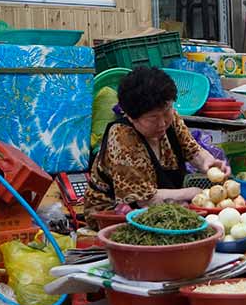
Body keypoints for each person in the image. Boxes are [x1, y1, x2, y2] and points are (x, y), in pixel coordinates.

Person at [87, 67, 229, 214]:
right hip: (113, 214)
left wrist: (209, 164)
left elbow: (193, 151)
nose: (162, 123)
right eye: (153, 118)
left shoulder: (171, 119)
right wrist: (192, 192)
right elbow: (144, 199)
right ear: (131, 117)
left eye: (167, 111)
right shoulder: (122, 137)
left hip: (165, 209)